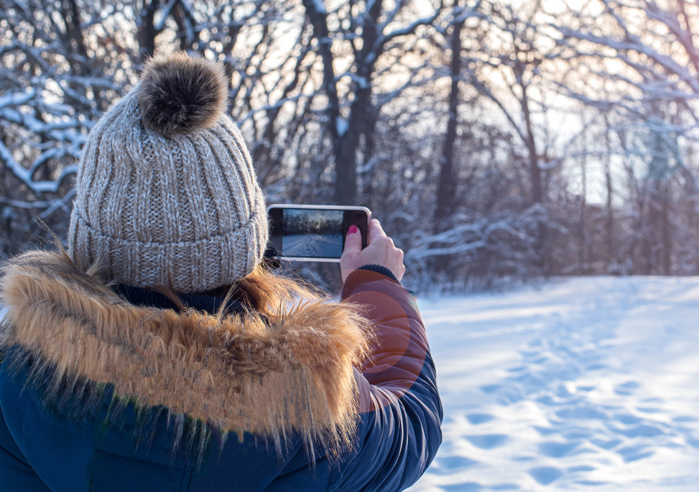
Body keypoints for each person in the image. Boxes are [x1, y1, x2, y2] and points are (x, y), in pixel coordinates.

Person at [0, 52, 441, 491]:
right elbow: (411, 422)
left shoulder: (16, 377)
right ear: (246, 248)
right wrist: (380, 288)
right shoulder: (306, 399)